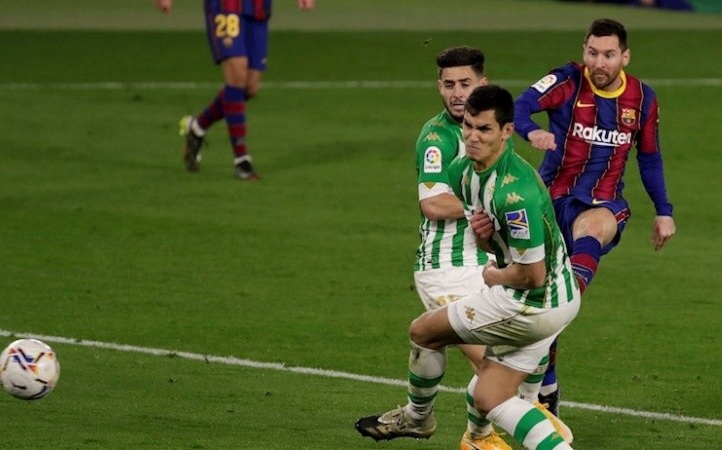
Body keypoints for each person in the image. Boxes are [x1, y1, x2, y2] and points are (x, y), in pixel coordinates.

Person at [356, 85, 580, 450]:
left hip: (533, 303)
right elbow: (490, 242)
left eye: (484, 129)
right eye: (469, 127)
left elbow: (532, 275)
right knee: (487, 396)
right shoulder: (463, 172)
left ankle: (417, 417)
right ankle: (487, 438)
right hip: (556, 300)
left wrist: (492, 275)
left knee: (423, 332)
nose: (473, 137)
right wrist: (483, 237)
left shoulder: (515, 194)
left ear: (507, 131)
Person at [513, 18, 676, 415]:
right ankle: (547, 387)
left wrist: (664, 211)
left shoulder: (643, 98)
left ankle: (565, 298)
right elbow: (520, 106)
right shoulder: (566, 80)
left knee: (592, 230)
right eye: (592, 53)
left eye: (608, 55)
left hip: (604, 203)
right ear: (583, 51)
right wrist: (531, 131)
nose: (599, 63)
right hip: (549, 202)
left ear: (625, 56)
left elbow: (649, 157)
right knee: (539, 303)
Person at [412, 46, 511, 450]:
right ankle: (479, 437)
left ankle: (460, 430)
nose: (456, 93)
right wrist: (487, 201)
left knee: (512, 359)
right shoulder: (436, 138)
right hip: (445, 268)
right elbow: (433, 204)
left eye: (465, 83)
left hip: (486, 263)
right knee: (489, 362)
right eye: (448, 84)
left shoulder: (490, 130)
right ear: (439, 86)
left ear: (481, 84)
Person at [155, 0, 316, 180]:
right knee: (237, 73)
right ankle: (242, 160)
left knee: (250, 87)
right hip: (226, 6)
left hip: (257, 8)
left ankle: (197, 127)